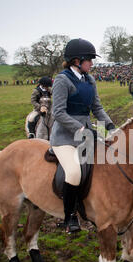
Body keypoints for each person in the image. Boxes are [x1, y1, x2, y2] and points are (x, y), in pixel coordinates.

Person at [49, 38, 115, 233]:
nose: (92, 64)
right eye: (90, 60)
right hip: (65, 137)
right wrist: (79, 128)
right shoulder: (62, 80)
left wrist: (110, 127)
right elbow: (58, 112)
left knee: (107, 162)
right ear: (77, 61)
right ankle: (70, 217)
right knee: (75, 172)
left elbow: (97, 108)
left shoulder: (90, 80)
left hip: (87, 133)